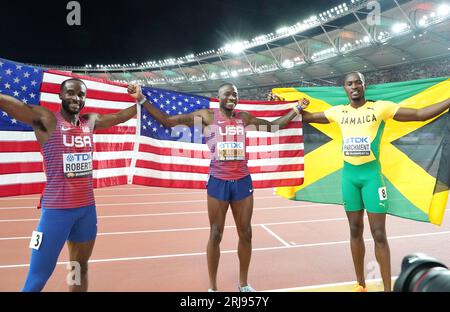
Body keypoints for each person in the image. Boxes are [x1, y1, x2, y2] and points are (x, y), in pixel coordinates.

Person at [136, 83, 308, 292]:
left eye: (235, 94)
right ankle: (212, 287)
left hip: (242, 181)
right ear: (218, 97)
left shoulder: (243, 118)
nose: (232, 97)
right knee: (215, 234)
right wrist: (143, 100)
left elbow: (273, 126)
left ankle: (243, 284)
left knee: (246, 233)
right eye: (227, 94)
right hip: (218, 181)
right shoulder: (207, 116)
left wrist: (296, 109)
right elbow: (169, 121)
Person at [298, 71, 450, 291]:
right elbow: (308, 117)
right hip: (349, 178)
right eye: (349, 83)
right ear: (345, 89)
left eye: (358, 82)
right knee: (354, 229)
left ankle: (388, 289)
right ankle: (360, 284)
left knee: (379, 234)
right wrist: (285, 106)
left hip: (372, 179)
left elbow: (420, 113)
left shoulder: (380, 108)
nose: (354, 86)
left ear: (364, 85)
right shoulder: (338, 112)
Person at [0, 79, 141, 291]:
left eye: (81, 94)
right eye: (71, 93)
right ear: (60, 95)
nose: (76, 98)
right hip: (56, 213)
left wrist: (141, 100)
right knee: (37, 278)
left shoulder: (90, 122)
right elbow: (14, 106)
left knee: (79, 267)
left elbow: (120, 117)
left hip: (86, 212)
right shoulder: (46, 119)